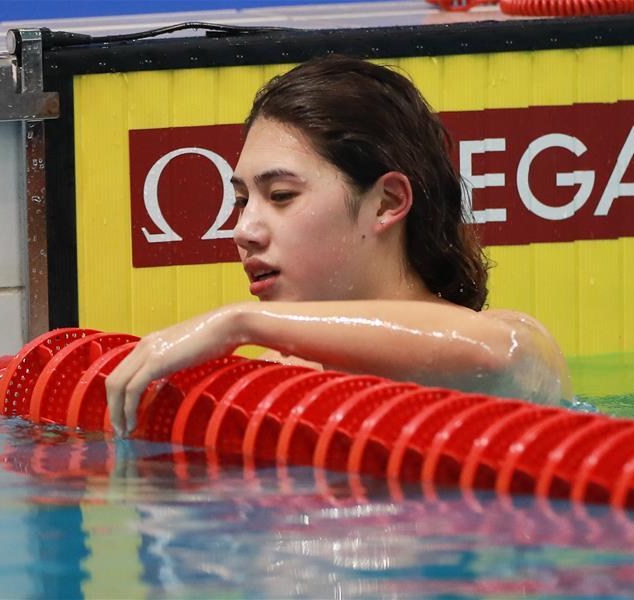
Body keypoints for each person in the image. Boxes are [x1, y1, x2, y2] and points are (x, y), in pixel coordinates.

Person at [107, 55, 572, 438]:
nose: (243, 231)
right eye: (242, 201)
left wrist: (241, 323)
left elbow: (498, 355)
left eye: (281, 196)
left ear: (387, 203)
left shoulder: (513, 345)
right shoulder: (271, 379)